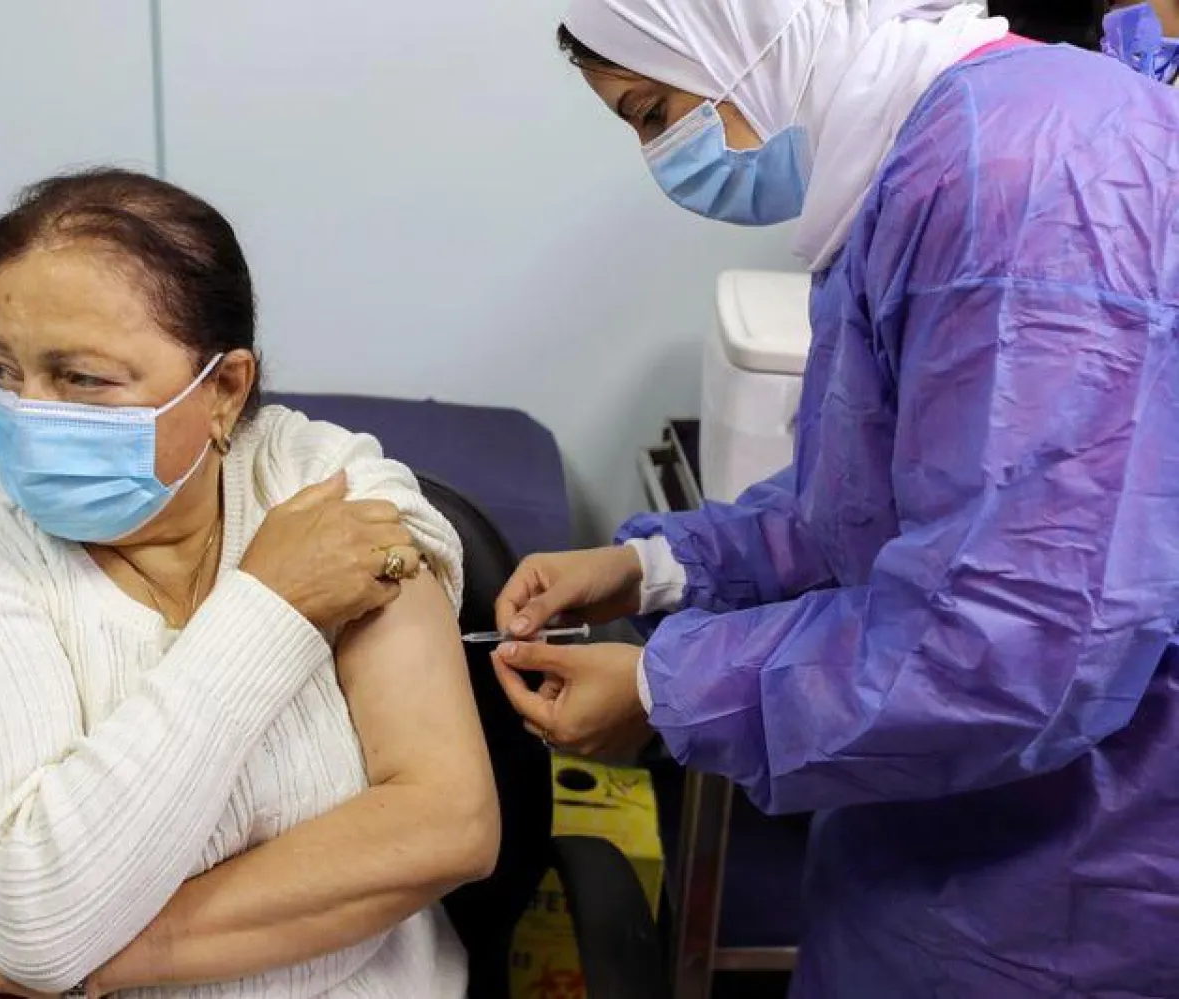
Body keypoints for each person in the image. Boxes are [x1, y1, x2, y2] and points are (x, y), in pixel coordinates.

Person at [492, 2, 1179, 996]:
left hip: (1075, 876)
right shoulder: (931, 156)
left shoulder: (1029, 177)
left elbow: (1016, 643)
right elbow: (874, 505)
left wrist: (663, 690)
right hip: (949, 834)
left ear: (750, 25)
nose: (664, 158)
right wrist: (654, 567)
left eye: (654, 110)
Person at [0, 169, 498, 999]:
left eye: (83, 379)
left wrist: (104, 961)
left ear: (223, 388)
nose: (31, 415)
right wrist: (272, 607)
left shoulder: (320, 482)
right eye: (6, 371)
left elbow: (448, 825)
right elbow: (31, 916)